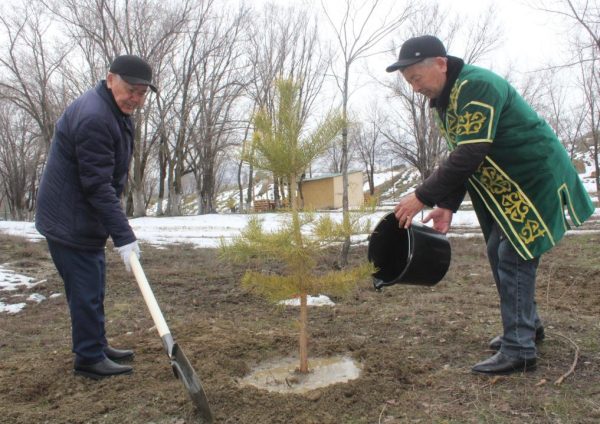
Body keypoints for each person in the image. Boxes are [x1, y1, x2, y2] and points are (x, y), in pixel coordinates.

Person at [386, 35, 595, 375]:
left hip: (534, 178)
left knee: (512, 254)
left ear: (440, 63)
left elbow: (471, 152)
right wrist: (448, 204)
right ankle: (526, 326)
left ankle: (519, 349)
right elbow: (463, 155)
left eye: (416, 78)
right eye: (409, 82)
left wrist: (423, 196)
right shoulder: (448, 101)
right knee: (498, 249)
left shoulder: (476, 87)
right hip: (512, 186)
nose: (414, 87)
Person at [35, 55, 157, 380]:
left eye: (142, 93)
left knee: (95, 284)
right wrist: (124, 236)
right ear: (110, 79)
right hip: (68, 218)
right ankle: (88, 358)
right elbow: (98, 186)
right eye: (131, 89)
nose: (136, 98)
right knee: (86, 289)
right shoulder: (95, 117)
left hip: (83, 216)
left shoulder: (114, 110)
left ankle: (97, 344)